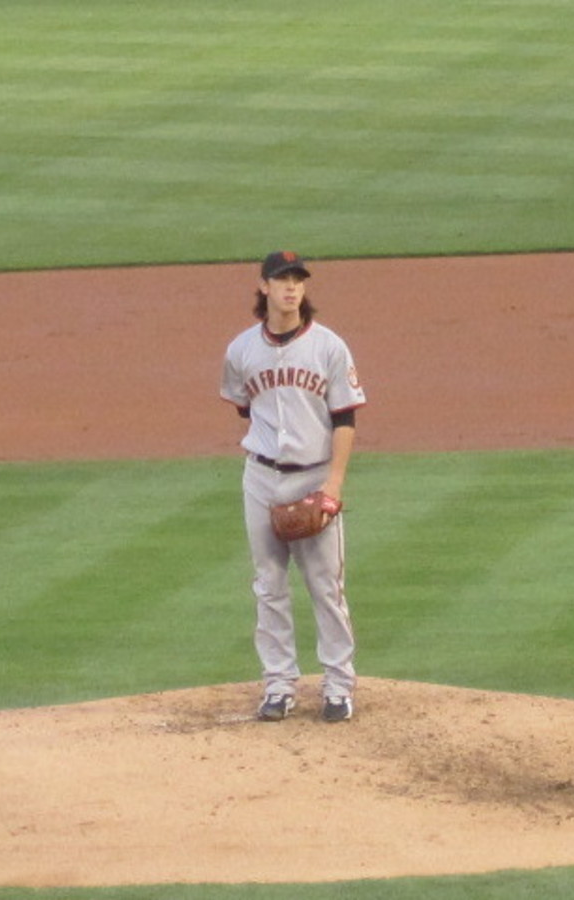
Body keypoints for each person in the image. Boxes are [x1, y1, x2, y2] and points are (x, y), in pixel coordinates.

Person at [219, 251, 367, 722]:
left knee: (326, 587)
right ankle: (279, 684)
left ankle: (338, 687)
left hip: (314, 474)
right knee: (268, 585)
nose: (291, 288)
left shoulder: (328, 347)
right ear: (263, 287)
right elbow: (246, 407)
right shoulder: (242, 350)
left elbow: (345, 419)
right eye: (282, 280)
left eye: (298, 280)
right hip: (261, 476)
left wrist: (333, 484)